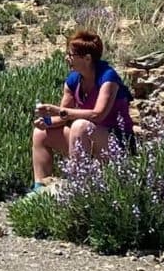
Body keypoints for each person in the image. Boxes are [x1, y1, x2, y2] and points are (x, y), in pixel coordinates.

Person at [30, 30, 135, 189]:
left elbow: (98, 114)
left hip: (116, 144)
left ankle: (78, 186)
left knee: (80, 126)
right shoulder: (73, 80)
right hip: (85, 140)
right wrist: (47, 121)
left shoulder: (108, 78)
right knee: (41, 133)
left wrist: (60, 112)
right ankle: (39, 187)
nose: (67, 58)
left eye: (71, 55)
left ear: (87, 58)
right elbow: (63, 116)